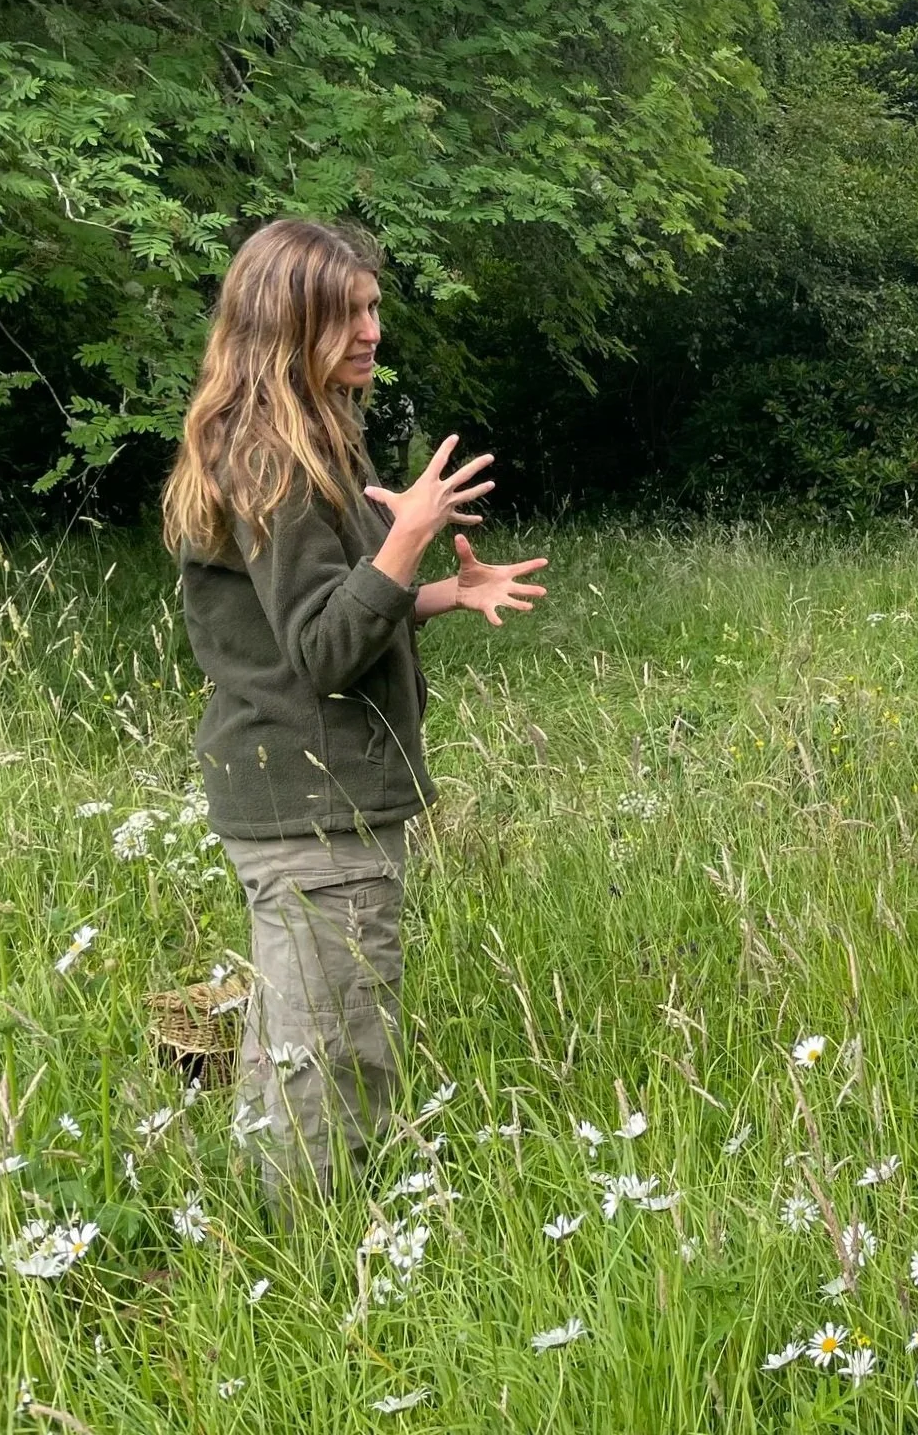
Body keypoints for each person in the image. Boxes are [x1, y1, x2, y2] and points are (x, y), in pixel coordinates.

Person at [162, 221, 549, 1204]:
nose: (374, 330)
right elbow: (324, 651)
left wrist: (440, 591)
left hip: (314, 795)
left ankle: (269, 1223)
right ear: (286, 321)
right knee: (331, 1056)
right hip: (312, 804)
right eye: (350, 313)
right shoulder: (272, 459)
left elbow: (326, 612)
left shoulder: (303, 434)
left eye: (375, 308)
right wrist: (407, 537)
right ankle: (311, 1250)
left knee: (304, 1038)